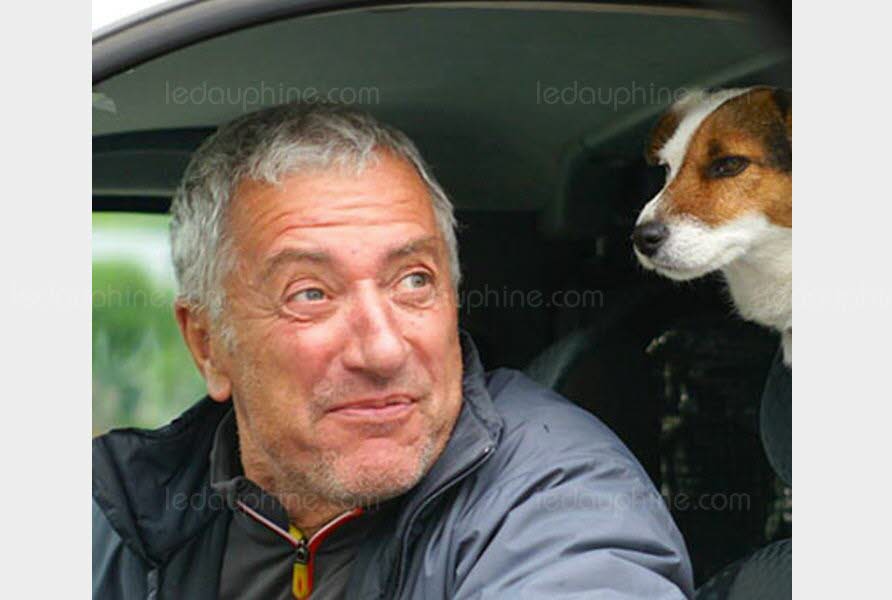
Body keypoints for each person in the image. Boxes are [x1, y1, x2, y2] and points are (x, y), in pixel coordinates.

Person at [92, 103, 694, 599]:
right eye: (310, 293)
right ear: (208, 345)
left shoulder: (561, 498)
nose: (381, 349)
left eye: (413, 280)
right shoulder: (128, 513)